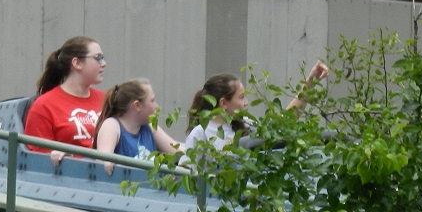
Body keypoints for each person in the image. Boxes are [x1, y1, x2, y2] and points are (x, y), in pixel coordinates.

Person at [186, 60, 329, 152]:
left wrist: (310, 82)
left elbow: (282, 125)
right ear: (223, 103)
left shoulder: (246, 123)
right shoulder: (201, 133)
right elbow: (186, 172)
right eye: (241, 97)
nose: (246, 102)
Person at [24, 36, 107, 165]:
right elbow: (37, 161)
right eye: (98, 58)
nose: (103, 64)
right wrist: (67, 156)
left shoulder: (107, 100)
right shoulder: (43, 105)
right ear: (77, 63)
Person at [93, 79, 181, 175]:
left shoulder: (150, 127)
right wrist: (108, 163)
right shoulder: (112, 125)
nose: (156, 106)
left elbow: (177, 151)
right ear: (137, 105)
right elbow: (104, 161)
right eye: (152, 100)